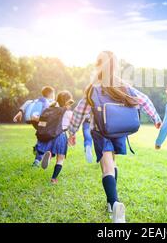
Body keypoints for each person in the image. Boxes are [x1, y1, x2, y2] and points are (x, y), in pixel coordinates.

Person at [67, 51, 162, 223]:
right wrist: (156, 118)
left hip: (101, 132)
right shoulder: (123, 86)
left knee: (107, 169)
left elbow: (79, 112)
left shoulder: (93, 88)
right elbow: (144, 99)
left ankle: (115, 203)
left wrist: (72, 132)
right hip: (119, 131)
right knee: (113, 164)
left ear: (98, 65)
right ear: (116, 65)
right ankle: (111, 204)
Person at [35, 90, 74, 184]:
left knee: (51, 151)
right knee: (60, 158)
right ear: (68, 102)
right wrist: (72, 137)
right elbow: (72, 127)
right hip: (61, 135)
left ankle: (48, 156)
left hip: (51, 135)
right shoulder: (68, 113)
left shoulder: (51, 109)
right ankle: (53, 179)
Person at [13, 86, 55, 167]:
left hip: (34, 122)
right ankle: (38, 159)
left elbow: (27, 103)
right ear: (51, 94)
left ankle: (38, 149)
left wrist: (20, 112)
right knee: (46, 139)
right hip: (43, 122)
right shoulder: (50, 102)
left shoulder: (36, 100)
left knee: (42, 138)